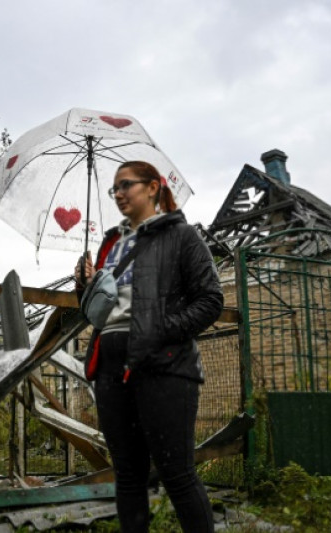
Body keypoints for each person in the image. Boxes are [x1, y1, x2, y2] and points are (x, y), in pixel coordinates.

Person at [74, 161, 223, 532]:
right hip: (110, 363)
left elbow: (210, 300)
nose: (119, 194)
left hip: (164, 363)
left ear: (153, 188)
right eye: (115, 189)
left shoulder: (182, 236)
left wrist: (159, 331)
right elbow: (101, 310)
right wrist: (85, 286)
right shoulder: (110, 243)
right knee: (127, 474)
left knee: (177, 474)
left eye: (127, 185)